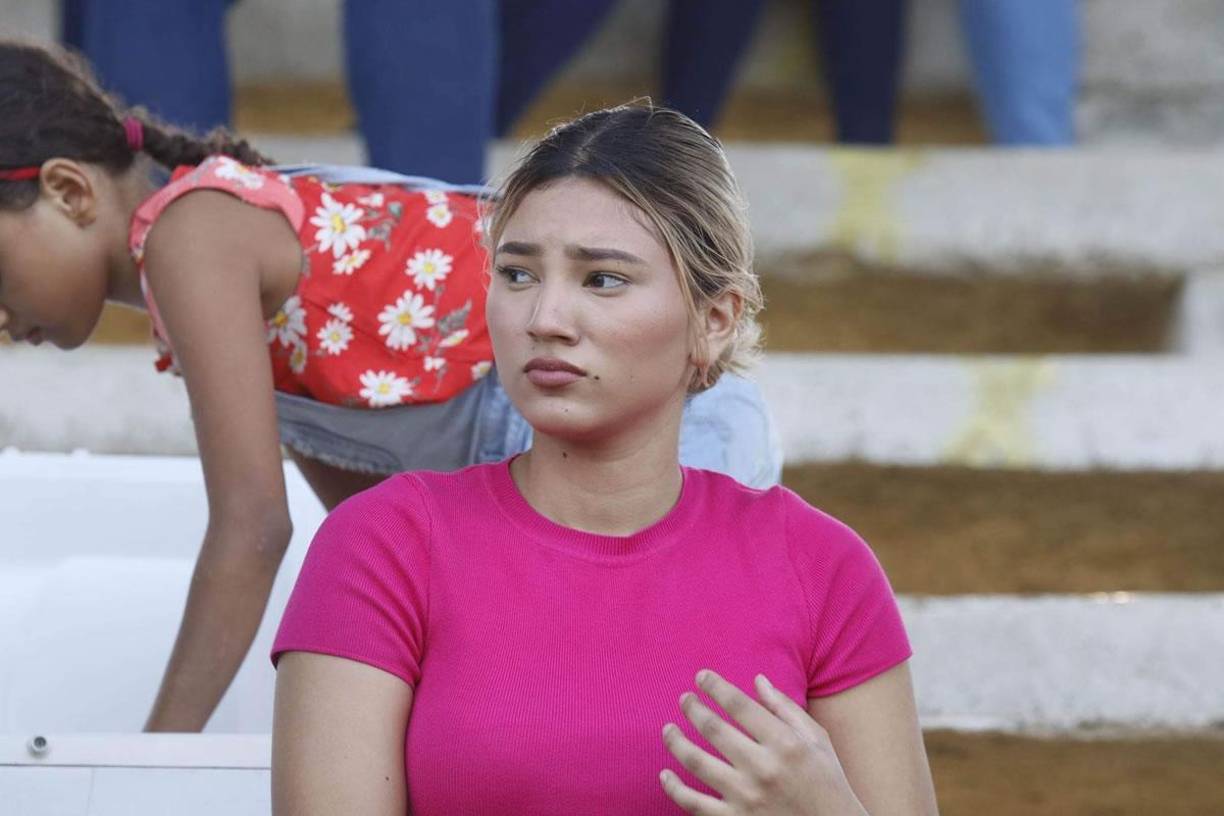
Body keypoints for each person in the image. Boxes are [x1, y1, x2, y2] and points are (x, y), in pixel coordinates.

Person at [0, 40, 781, 732]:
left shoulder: (190, 238)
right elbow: (369, 519)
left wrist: (150, 759)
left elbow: (252, 530)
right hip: (550, 453)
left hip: (640, 419)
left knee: (633, 723)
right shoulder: (197, 270)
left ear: (70, 191)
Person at [271, 103, 937, 815]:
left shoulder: (823, 568)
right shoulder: (382, 546)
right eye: (519, 274)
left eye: (603, 280)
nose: (545, 318)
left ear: (714, 322)